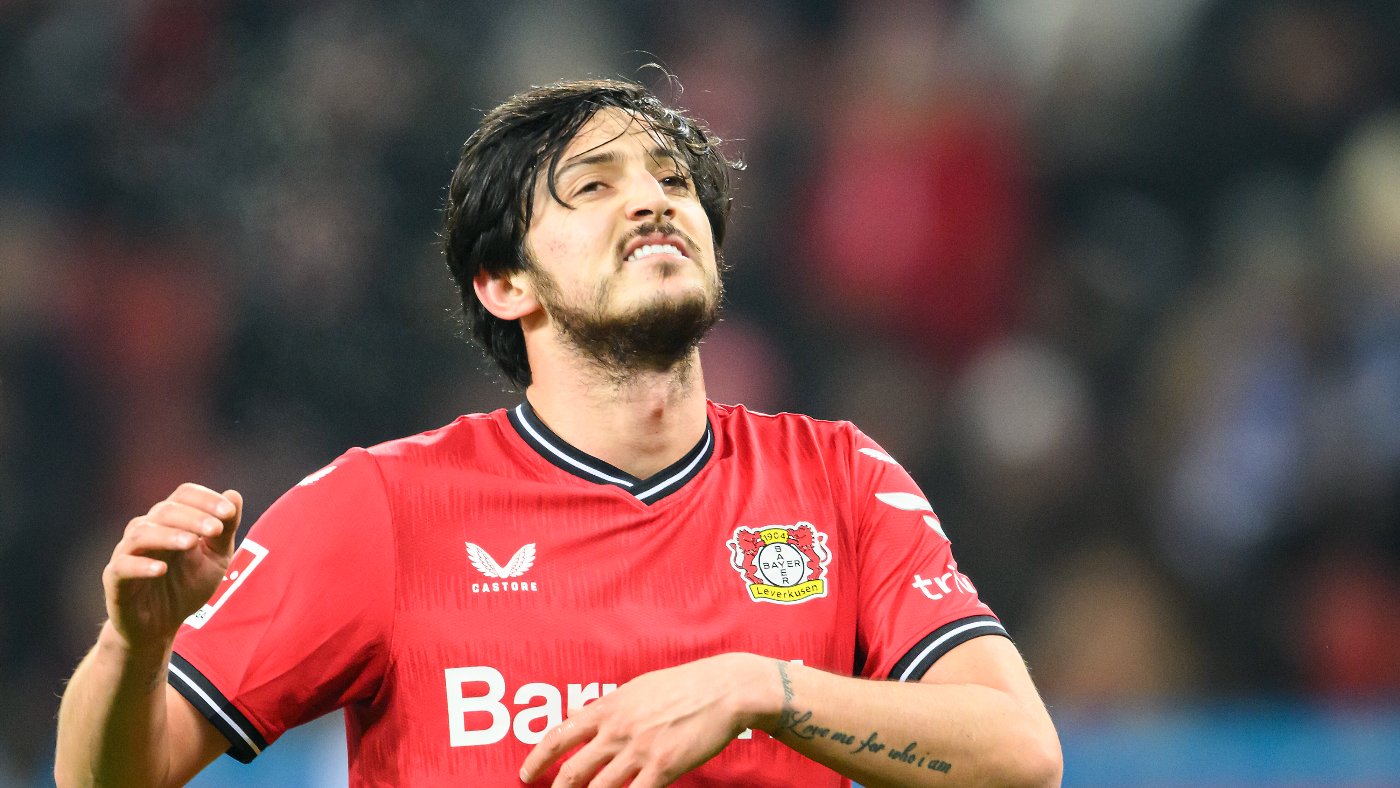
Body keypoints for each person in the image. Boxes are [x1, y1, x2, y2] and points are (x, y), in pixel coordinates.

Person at [54, 79, 1062, 788]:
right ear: (504, 282)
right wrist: (134, 647)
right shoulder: (383, 508)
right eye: (593, 185)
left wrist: (760, 688)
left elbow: (1019, 754)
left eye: (673, 181)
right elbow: (108, 779)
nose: (653, 199)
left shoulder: (837, 478)